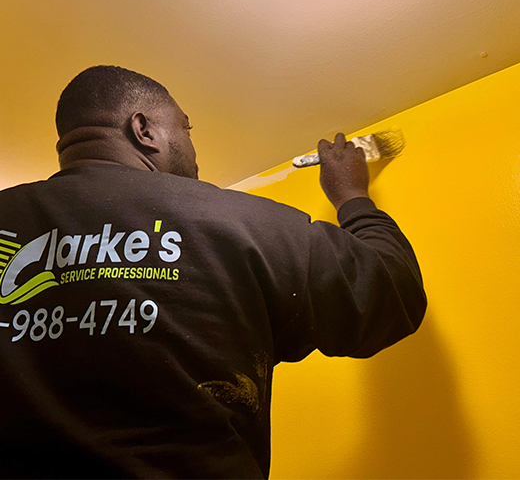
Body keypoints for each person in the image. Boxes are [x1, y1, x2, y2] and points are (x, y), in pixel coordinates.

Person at [0, 65, 426, 479]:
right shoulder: (237, 222)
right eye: (186, 129)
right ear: (143, 130)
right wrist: (352, 196)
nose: (192, 145)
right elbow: (391, 292)